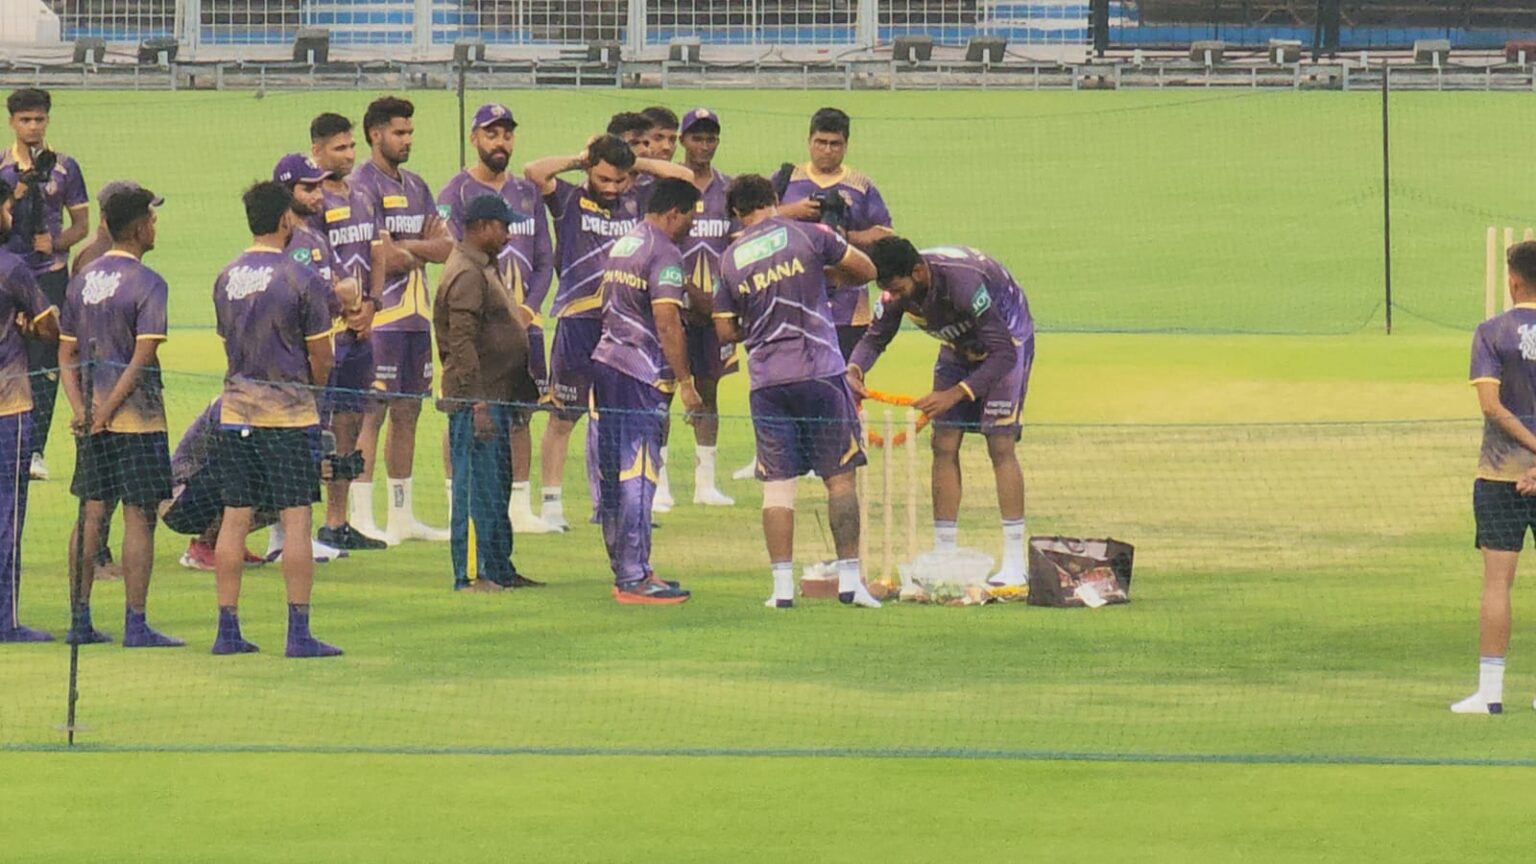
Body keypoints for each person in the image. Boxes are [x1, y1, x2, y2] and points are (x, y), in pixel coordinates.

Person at [713, 174, 881, 609]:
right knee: (840, 479)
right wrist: (827, 280)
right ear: (774, 200)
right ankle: (850, 583)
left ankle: (782, 589)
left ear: (735, 212)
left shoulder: (730, 258)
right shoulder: (808, 234)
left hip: (767, 380)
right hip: (821, 370)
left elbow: (724, 328)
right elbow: (867, 269)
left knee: (778, 487)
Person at [523, 133, 692, 531]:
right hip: (577, 318)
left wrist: (639, 163)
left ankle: (616, 505)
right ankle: (551, 505)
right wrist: (579, 159)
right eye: (603, 179)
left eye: (619, 181)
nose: (612, 188)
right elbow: (534, 171)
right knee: (565, 414)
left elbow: (683, 177)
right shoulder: (567, 198)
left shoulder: (637, 201)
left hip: (623, 321)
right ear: (589, 171)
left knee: (617, 416)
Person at [847, 239, 1035, 587]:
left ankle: (1014, 562)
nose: (894, 297)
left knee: (1000, 443)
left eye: (898, 289)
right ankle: (944, 552)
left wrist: (956, 394)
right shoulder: (894, 292)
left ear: (918, 272)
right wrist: (855, 369)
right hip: (957, 346)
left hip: (1007, 341)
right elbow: (875, 339)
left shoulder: (963, 285)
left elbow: (1002, 354)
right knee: (943, 442)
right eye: (887, 290)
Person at [209, 181, 338, 658]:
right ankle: (299, 633)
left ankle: (227, 629)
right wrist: (311, 391)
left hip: (235, 409)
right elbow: (321, 356)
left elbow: (228, 342)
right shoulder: (300, 278)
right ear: (286, 219)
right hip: (288, 415)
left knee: (234, 519)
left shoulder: (226, 277)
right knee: (297, 519)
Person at [57, 185, 182, 647]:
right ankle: (136, 623)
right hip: (138, 420)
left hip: (90, 421)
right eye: (151, 217)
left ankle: (79, 619)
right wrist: (108, 411)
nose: (155, 224)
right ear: (137, 226)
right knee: (138, 517)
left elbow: (65, 353)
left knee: (91, 514)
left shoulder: (82, 279)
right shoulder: (149, 284)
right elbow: (142, 356)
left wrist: (82, 410)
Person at [436, 103, 556, 536]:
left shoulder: (527, 193)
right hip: (479, 327)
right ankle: (458, 500)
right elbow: (456, 256)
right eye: (492, 133)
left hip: (524, 326)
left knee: (521, 413)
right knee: (469, 410)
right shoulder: (455, 192)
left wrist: (527, 310)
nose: (500, 142)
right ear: (474, 138)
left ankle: (520, 504)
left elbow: (545, 260)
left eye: (507, 133)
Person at [591, 178, 700, 604]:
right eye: (690, 217)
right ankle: (635, 578)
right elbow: (667, 321)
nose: (690, 227)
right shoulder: (664, 251)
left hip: (607, 363)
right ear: (673, 212)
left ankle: (627, 567)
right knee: (639, 469)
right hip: (640, 372)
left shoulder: (626, 242)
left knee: (613, 473)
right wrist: (687, 383)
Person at [350, 96, 451, 545]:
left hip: (417, 316)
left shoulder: (418, 186)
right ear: (375, 134)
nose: (407, 140)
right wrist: (412, 251)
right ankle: (358, 514)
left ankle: (401, 515)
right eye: (399, 133)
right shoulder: (361, 187)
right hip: (382, 317)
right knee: (371, 414)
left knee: (409, 413)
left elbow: (448, 248)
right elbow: (381, 257)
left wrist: (408, 250)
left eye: (410, 132)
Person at [273, 151, 379, 559]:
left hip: (331, 344)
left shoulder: (314, 236)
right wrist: (341, 297)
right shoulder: (286, 241)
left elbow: (341, 282)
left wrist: (349, 300)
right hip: (297, 358)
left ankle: (294, 537)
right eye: (308, 187)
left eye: (319, 186)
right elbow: (303, 297)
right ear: (287, 191)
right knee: (294, 445)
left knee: (314, 441)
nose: (318, 194)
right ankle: (282, 540)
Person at [434, 194, 542, 593]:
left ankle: (499, 567)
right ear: (482, 227)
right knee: (476, 489)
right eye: (503, 225)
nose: (509, 233)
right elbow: (460, 343)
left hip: (497, 396)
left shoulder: (484, 267)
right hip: (477, 400)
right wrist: (477, 401)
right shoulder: (466, 273)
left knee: (496, 489)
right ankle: (473, 575)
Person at [1454, 240, 1536, 712]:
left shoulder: (1491, 332)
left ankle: (1490, 694)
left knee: (1497, 583)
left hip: (1500, 474)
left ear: (1512, 281)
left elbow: (1491, 406)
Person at [1, 88, 90, 482]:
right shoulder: (1, 169)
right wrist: (15, 194)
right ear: (12, 123)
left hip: (51, 275)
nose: (32, 127)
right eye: (25, 120)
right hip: (7, 275)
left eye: (39, 119)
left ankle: (34, 449)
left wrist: (55, 243)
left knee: (47, 360)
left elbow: (82, 226)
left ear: (47, 121)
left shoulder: (65, 168)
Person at [309, 112, 388, 548]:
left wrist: (372, 305)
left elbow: (376, 252)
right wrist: (347, 310)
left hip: (362, 330)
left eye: (351, 146)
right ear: (317, 150)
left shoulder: (361, 194)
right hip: (329, 332)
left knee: (350, 423)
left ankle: (337, 524)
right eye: (339, 148)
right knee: (318, 427)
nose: (348, 154)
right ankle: (308, 525)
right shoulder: (313, 201)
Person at [776, 107, 894, 359]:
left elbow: (886, 235)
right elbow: (756, 221)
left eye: (835, 144)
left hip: (848, 306)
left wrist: (844, 237)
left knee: (845, 381)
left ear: (846, 145)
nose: (827, 150)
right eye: (821, 142)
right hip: (793, 299)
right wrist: (795, 211)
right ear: (809, 141)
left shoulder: (861, 185)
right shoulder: (787, 178)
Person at [0, 179, 59, 642]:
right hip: (8, 407)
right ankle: (6, 620)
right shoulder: (11, 268)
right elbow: (48, 327)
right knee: (7, 515)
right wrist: (26, 326)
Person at [675, 108, 737, 507]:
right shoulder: (668, 187)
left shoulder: (728, 190)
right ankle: (659, 483)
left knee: (710, 392)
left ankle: (705, 483)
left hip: (714, 311)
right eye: (696, 138)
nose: (704, 145)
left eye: (710, 138)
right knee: (664, 390)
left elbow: (735, 248)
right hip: (673, 307)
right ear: (683, 141)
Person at [168, 398, 281, 572]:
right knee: (248, 469)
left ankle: (227, 542)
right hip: (181, 497)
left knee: (291, 487)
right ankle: (204, 546)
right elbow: (227, 458)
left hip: (212, 484)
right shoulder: (228, 404)